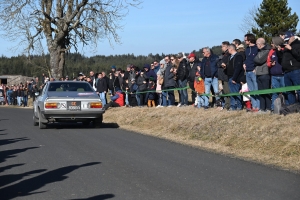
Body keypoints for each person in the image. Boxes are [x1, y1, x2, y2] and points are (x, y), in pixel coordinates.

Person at [278, 31, 300, 104]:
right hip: (286, 71)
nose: (287, 42)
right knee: (289, 90)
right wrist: (279, 51)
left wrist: (291, 49)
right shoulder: (286, 46)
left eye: (288, 40)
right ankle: (292, 106)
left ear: (292, 37)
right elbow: (282, 58)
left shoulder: (298, 45)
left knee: (298, 89)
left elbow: (298, 56)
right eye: (286, 40)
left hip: (295, 70)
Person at [254, 38, 272, 112]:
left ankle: (268, 107)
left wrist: (256, 59)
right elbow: (254, 59)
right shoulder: (259, 51)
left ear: (260, 44)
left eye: (257, 44)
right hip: (258, 73)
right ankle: (262, 108)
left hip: (264, 73)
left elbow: (259, 60)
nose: (256, 45)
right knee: (261, 92)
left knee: (266, 91)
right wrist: (256, 59)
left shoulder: (267, 51)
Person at [243, 33, 259, 112]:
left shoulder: (256, 48)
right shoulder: (246, 49)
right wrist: (244, 63)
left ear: (250, 40)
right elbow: (246, 58)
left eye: (245, 40)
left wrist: (256, 68)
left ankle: (258, 106)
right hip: (247, 71)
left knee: (256, 89)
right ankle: (254, 105)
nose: (244, 41)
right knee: (251, 90)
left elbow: (258, 59)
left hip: (253, 71)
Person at [226, 44, 244, 111]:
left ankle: (239, 106)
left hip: (235, 77)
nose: (227, 51)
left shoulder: (238, 56)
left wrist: (234, 78)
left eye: (228, 49)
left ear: (231, 49)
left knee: (236, 92)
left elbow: (238, 68)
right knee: (232, 93)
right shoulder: (229, 57)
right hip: (230, 77)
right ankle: (233, 106)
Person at [269, 36, 285, 111]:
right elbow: (269, 62)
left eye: (272, 42)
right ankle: (274, 108)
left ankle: (285, 107)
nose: (271, 44)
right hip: (274, 75)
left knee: (285, 92)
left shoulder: (283, 51)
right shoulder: (273, 52)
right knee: (274, 93)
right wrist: (271, 64)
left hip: (282, 75)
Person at [218, 41, 231, 110]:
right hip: (221, 75)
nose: (221, 48)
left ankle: (228, 105)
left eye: (222, 46)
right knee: (224, 92)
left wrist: (221, 64)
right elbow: (218, 63)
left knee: (227, 91)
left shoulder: (228, 55)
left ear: (226, 46)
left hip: (225, 75)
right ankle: (225, 104)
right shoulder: (223, 55)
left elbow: (225, 64)